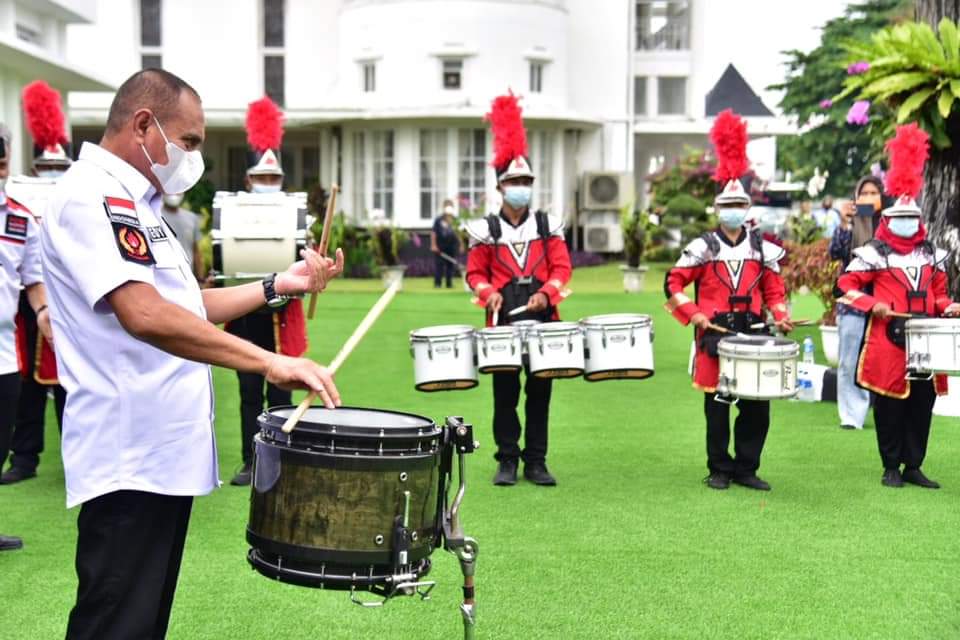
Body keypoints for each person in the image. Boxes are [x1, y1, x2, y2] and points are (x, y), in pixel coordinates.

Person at [40, 69, 344, 639]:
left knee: (139, 624)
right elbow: (144, 314)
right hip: (128, 455)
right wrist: (268, 361)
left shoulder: (136, 203)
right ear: (143, 125)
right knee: (114, 624)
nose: (193, 157)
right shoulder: (90, 196)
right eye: (189, 141)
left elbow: (186, 305)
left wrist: (281, 284)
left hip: (158, 456)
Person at [664, 110, 793, 492]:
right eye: (727, 205)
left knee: (756, 404)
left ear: (746, 208)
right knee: (718, 406)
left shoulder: (762, 247)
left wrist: (780, 315)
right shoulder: (702, 247)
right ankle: (719, 468)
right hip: (715, 334)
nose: (733, 210)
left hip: (753, 333)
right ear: (718, 209)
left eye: (739, 204)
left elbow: (774, 290)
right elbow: (673, 283)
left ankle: (747, 468)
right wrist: (694, 314)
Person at [837, 124, 958, 489]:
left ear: (919, 221)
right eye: (899, 219)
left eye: (911, 219)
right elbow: (846, 285)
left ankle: (913, 465)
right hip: (888, 340)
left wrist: (948, 306)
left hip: (926, 339)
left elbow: (938, 293)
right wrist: (872, 304)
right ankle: (890, 465)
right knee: (889, 405)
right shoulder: (873, 253)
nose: (906, 224)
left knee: (922, 404)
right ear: (888, 221)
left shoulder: (933, 254)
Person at [465, 93, 572, 487]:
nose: (521, 188)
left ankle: (537, 461)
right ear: (500, 186)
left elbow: (562, 268)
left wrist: (548, 293)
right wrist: (487, 292)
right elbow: (474, 274)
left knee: (540, 394)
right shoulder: (485, 229)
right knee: (505, 393)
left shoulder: (547, 224)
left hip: (543, 317)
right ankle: (507, 459)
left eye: (526, 182)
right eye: (514, 182)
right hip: (503, 321)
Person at [224, 96, 309, 487]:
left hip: (281, 317)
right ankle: (250, 460)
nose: (268, 184)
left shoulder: (296, 216)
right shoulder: (233, 212)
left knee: (280, 391)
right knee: (247, 393)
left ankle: (280, 460)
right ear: (248, 181)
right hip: (245, 316)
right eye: (262, 178)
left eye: (274, 179)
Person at [3, 80, 70, 484]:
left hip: (71, 299)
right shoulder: (18, 198)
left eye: (58, 168)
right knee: (26, 381)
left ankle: (76, 458)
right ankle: (25, 457)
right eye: (46, 169)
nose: (52, 175)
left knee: (74, 384)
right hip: (27, 304)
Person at [0, 121, 53, 549]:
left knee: (1, 440)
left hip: (3, 355)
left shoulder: (20, 218)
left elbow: (32, 278)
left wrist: (43, 311)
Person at [828, 175, 884, 431]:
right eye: (864, 193)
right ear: (856, 197)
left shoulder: (888, 225)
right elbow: (835, 252)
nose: (869, 198)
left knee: (878, 358)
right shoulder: (850, 225)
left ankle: (881, 407)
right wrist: (844, 221)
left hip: (883, 303)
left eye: (874, 193)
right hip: (852, 302)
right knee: (848, 360)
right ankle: (851, 416)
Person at [160, 192, 206, 281]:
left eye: (177, 190)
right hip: (163, 278)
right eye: (170, 190)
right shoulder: (154, 216)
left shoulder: (192, 218)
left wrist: (201, 279)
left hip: (187, 276)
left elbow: (195, 250)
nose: (174, 194)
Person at [431, 199, 463, 288]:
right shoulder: (438, 220)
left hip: (451, 246)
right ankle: (437, 284)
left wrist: (461, 245)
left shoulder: (455, 220)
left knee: (450, 266)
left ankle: (449, 284)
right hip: (440, 246)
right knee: (439, 266)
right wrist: (433, 245)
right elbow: (434, 233)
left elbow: (459, 233)